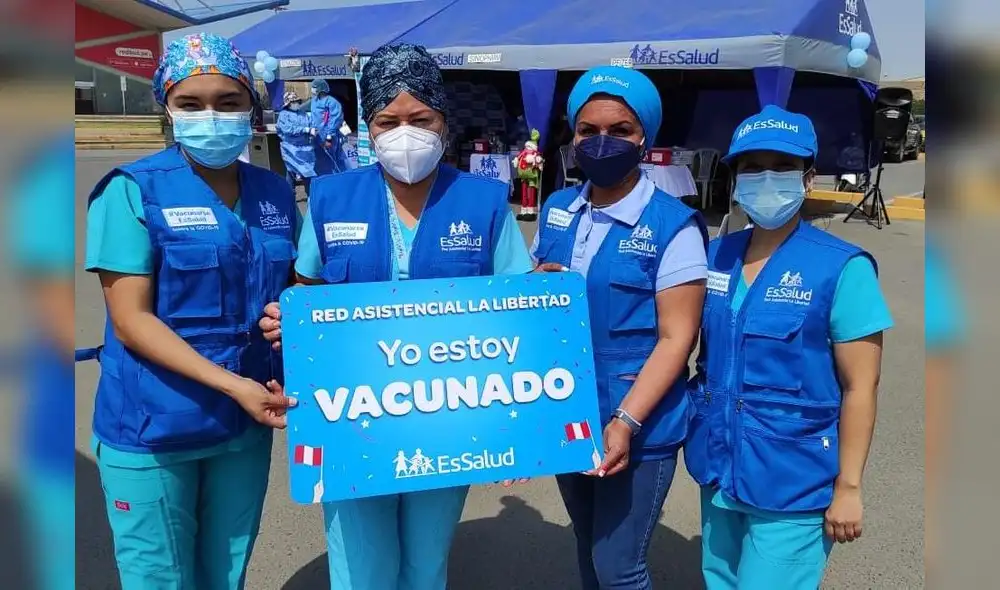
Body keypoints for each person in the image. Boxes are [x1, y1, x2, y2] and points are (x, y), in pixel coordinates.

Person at [258, 43, 533, 590]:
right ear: (369, 127)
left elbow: (518, 310)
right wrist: (288, 324)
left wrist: (521, 428)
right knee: (362, 567)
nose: (405, 133)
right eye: (388, 121)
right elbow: (306, 295)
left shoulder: (483, 203)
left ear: (444, 122)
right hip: (350, 416)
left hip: (447, 417)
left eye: (421, 119)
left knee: (426, 564)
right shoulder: (331, 199)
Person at [83, 33, 299, 589]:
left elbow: (293, 289)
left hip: (241, 429)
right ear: (168, 109)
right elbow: (131, 320)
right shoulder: (132, 191)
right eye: (191, 103)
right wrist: (234, 386)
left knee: (226, 573)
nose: (212, 116)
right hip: (152, 427)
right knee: (159, 578)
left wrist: (292, 319)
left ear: (251, 106)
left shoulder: (275, 194)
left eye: (228, 102)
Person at [684, 105, 894, 590]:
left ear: (808, 177)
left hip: (794, 479)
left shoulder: (842, 267)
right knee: (720, 581)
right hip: (719, 467)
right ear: (735, 179)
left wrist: (849, 487)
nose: (766, 179)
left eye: (782, 167)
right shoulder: (715, 255)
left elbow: (861, 386)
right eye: (753, 168)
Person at [532, 65, 709, 589]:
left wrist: (626, 422)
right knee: (587, 546)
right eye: (588, 130)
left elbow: (678, 337)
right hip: (570, 409)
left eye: (621, 130)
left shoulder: (672, 225)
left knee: (619, 567)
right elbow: (538, 309)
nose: (602, 142)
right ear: (573, 136)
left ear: (644, 138)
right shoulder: (558, 208)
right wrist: (532, 286)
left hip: (638, 419)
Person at [276, 90, 317, 195]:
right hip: (291, 147)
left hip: (305, 148)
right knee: (291, 171)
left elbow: (311, 123)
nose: (296, 103)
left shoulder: (303, 113)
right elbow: (287, 129)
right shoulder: (284, 115)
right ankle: (289, 195)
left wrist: (313, 130)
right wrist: (305, 129)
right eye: (293, 102)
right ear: (288, 103)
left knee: (307, 171)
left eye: (297, 101)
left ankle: (310, 195)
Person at [309, 77, 350, 175]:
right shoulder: (314, 101)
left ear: (320, 88)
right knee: (319, 160)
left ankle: (338, 178)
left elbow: (335, 120)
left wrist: (329, 137)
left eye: (314, 87)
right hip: (317, 136)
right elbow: (313, 116)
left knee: (332, 160)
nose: (312, 89)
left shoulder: (332, 102)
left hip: (330, 137)